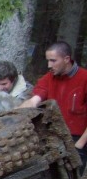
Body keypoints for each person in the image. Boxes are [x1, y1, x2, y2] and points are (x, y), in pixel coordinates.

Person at [20, 41, 87, 170]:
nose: (49, 65)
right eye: (48, 61)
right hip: (52, 137)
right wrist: (17, 114)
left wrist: (79, 145)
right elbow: (35, 99)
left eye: (53, 61)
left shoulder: (84, 79)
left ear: (66, 59)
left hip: (77, 140)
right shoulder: (49, 78)